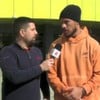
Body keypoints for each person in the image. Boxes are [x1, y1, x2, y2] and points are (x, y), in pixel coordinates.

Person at [47, 4, 100, 100]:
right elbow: (51, 73)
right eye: (61, 23)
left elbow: (98, 74)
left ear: (77, 22)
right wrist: (65, 91)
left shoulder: (93, 45)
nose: (63, 26)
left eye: (66, 22)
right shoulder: (55, 46)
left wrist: (82, 90)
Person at [0, 17, 54, 100]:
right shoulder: (7, 52)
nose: (36, 32)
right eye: (32, 30)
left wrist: (46, 95)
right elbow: (14, 77)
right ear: (22, 32)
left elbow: (42, 78)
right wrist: (40, 67)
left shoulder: (37, 52)